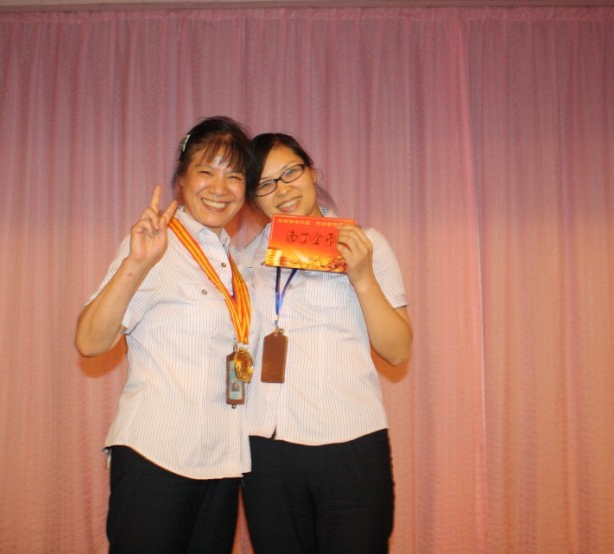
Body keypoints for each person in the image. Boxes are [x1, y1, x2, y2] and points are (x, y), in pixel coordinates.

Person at [75, 116, 254, 553]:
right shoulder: (157, 246)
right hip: (158, 456)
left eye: (234, 176)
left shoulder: (235, 262)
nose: (220, 187)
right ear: (181, 180)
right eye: (206, 171)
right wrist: (136, 264)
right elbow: (91, 342)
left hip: (222, 462)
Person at [238, 133, 413, 554]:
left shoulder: (365, 244)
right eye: (265, 184)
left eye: (290, 173)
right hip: (266, 450)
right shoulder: (243, 262)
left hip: (350, 445)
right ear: (252, 199)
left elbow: (397, 350)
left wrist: (363, 278)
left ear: (312, 172)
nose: (282, 190)